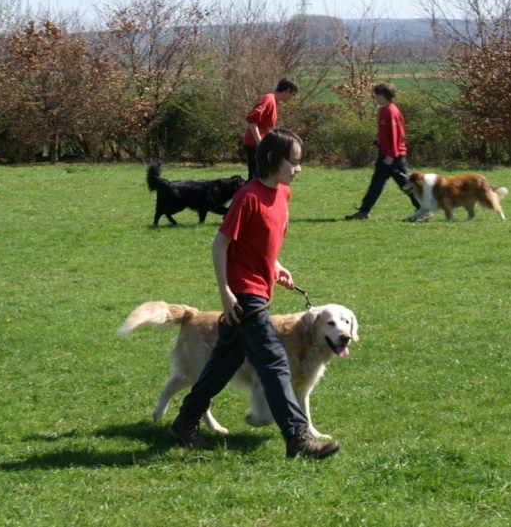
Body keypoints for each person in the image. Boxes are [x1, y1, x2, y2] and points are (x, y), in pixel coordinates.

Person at [168, 128, 340, 460]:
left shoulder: (282, 194)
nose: (298, 168)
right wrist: (226, 292)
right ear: (275, 160)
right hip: (245, 297)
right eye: (294, 161)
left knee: (222, 364)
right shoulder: (248, 196)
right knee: (276, 364)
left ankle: (185, 422)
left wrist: (275, 265)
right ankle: (298, 438)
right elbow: (221, 244)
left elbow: (259, 241)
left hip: (260, 290)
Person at [344, 82, 422, 220]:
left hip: (395, 157)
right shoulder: (382, 110)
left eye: (377, 94)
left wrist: (391, 155)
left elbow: (397, 136)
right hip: (384, 155)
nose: (375, 97)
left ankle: (423, 210)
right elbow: (384, 133)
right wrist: (378, 139)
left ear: (384, 95)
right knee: (376, 184)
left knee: (406, 185)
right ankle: (363, 212)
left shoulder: (392, 111)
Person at [242, 78, 298, 180]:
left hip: (261, 145)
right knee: (256, 178)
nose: (291, 97)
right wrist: (260, 144)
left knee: (263, 176)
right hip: (254, 145)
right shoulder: (268, 100)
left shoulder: (274, 102)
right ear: (287, 90)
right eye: (292, 94)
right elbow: (251, 120)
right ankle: (247, 195)